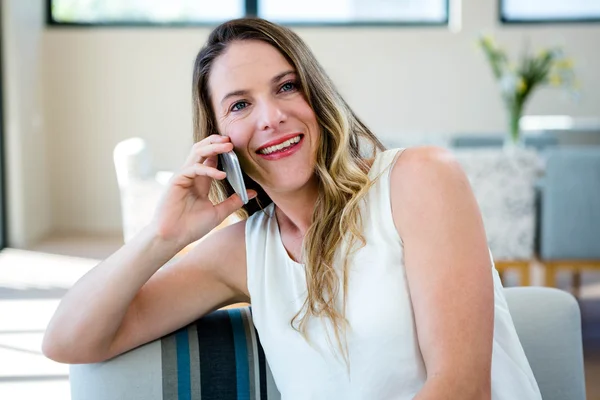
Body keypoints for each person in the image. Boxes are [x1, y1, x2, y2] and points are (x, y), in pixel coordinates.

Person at [43, 18, 541, 400]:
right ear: (220, 141)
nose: (273, 117)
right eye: (240, 105)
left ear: (316, 96)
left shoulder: (418, 179)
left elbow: (462, 388)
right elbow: (68, 340)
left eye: (286, 87)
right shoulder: (243, 252)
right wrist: (162, 236)